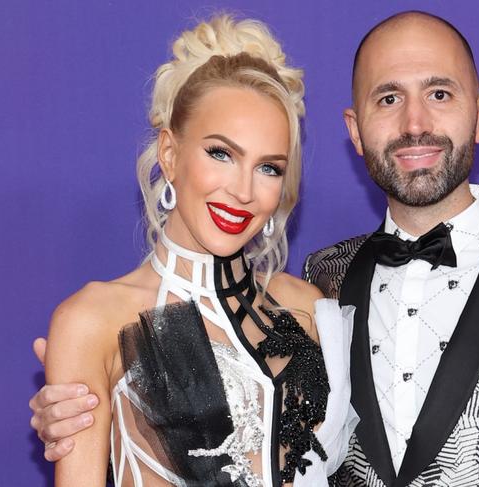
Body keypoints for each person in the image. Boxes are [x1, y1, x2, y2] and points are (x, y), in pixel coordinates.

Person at [30, 9, 479, 487]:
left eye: (439, 93)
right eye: (388, 98)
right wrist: (88, 405)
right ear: (354, 129)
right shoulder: (331, 276)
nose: (413, 124)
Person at [36, 14, 355, 487]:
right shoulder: (94, 319)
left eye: (268, 167)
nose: (243, 190)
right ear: (169, 153)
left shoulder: (307, 306)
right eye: (221, 154)